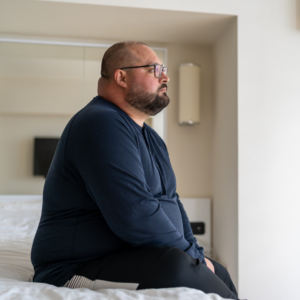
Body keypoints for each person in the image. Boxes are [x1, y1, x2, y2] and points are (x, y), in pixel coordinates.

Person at [31, 41, 239, 299]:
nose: (166, 76)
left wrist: (196, 254)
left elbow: (172, 201)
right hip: (74, 268)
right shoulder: (99, 122)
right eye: (155, 69)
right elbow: (134, 214)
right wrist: (190, 258)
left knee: (219, 271)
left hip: (127, 256)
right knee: (177, 266)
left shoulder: (151, 137)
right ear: (121, 76)